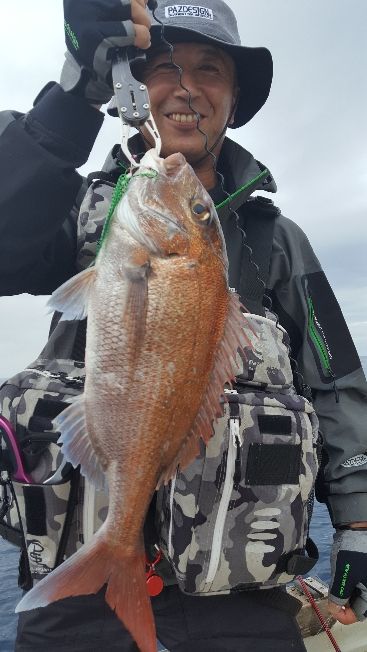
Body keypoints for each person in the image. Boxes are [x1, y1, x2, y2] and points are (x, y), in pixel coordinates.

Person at [1, 1, 367, 650]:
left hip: (240, 599)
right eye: (160, 65)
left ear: (233, 99)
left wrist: (356, 526)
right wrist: (70, 104)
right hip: (75, 590)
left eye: (210, 68)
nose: (187, 85)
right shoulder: (79, 208)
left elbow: (336, 385)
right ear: (131, 85)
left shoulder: (276, 242)